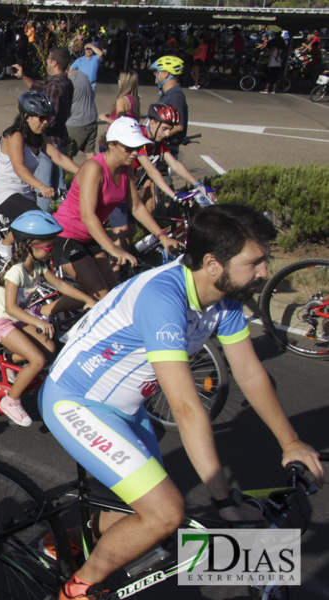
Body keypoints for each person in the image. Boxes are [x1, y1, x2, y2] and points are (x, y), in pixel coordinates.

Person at [41, 203, 325, 600]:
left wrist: (290, 441)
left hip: (125, 408)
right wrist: (224, 500)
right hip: (74, 402)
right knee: (166, 513)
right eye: (255, 262)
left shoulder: (222, 299)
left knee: (136, 508)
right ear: (213, 263)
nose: (264, 272)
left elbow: (250, 374)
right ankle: (76, 589)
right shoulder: (163, 298)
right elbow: (188, 409)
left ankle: (65, 541)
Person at [0, 211, 95, 427]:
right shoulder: (15, 272)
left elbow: (61, 286)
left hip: (16, 321)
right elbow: (11, 308)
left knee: (50, 349)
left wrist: (89, 300)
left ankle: (5, 363)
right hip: (0, 323)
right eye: (48, 247)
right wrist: (39, 322)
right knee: (37, 361)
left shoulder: (40, 267)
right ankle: (11, 401)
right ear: (27, 245)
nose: (52, 250)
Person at [51, 117, 181, 301]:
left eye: (138, 147)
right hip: (66, 236)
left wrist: (163, 237)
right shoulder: (94, 168)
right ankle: (44, 311)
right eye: (129, 148)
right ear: (111, 144)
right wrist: (114, 249)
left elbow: (136, 206)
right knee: (102, 296)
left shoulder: (125, 168)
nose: (135, 153)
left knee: (115, 294)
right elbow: (88, 216)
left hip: (90, 236)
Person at [0, 92, 78, 260]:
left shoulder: (38, 137)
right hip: (2, 191)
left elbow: (58, 157)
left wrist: (83, 171)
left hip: (22, 193)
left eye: (47, 119)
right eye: (41, 118)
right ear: (26, 116)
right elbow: (19, 168)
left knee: (39, 235)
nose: (44, 123)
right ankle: (3, 246)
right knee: (37, 219)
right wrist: (42, 186)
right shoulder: (15, 136)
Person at [110, 103, 207, 253]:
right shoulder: (139, 138)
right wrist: (173, 195)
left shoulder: (158, 142)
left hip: (128, 184)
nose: (168, 133)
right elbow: (151, 170)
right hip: (114, 184)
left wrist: (199, 184)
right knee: (122, 231)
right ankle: (114, 264)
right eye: (165, 128)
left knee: (131, 231)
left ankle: (127, 262)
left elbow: (174, 164)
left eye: (170, 129)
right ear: (153, 123)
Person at [14, 47, 74, 203]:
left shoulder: (54, 86)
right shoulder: (64, 82)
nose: (46, 61)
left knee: (44, 190)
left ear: (54, 63)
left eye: (48, 58)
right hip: (61, 139)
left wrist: (33, 131)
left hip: (50, 141)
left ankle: (43, 222)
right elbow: (40, 89)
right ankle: (63, 218)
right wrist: (23, 76)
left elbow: (49, 117)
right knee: (59, 186)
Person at [149, 56, 187, 152]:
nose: (154, 73)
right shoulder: (168, 93)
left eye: (157, 71)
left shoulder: (175, 96)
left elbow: (179, 126)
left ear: (166, 74)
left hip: (165, 149)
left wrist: (155, 138)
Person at [65, 67, 98, 160]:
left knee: (66, 156)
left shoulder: (68, 82)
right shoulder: (82, 75)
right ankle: (99, 174)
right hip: (92, 120)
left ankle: (71, 174)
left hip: (77, 123)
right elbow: (92, 93)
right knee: (90, 152)